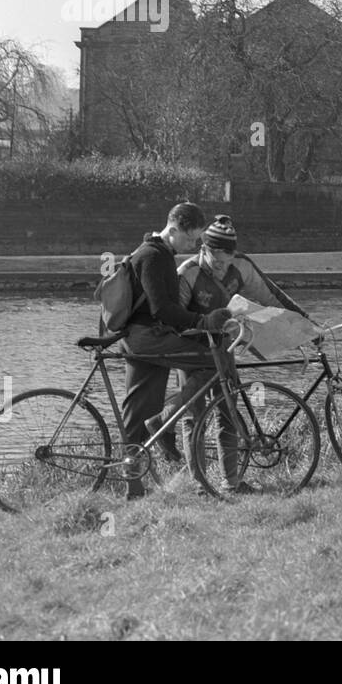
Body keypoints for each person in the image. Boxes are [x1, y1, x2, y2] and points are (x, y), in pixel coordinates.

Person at [147, 215, 309, 463]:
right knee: (195, 416)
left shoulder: (242, 266)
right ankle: (201, 485)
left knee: (228, 413)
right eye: (216, 262)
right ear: (204, 250)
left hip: (223, 345)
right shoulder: (187, 273)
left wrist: (306, 324)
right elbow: (173, 320)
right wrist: (202, 326)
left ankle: (230, 483)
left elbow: (272, 297)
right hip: (192, 348)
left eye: (227, 262)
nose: (222, 267)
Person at [118, 202, 230, 499]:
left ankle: (133, 488)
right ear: (175, 228)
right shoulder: (154, 256)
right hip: (147, 339)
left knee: (137, 413)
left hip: (140, 338)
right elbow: (162, 308)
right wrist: (201, 320)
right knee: (212, 359)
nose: (194, 245)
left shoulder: (157, 252)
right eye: (192, 238)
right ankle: (164, 421)